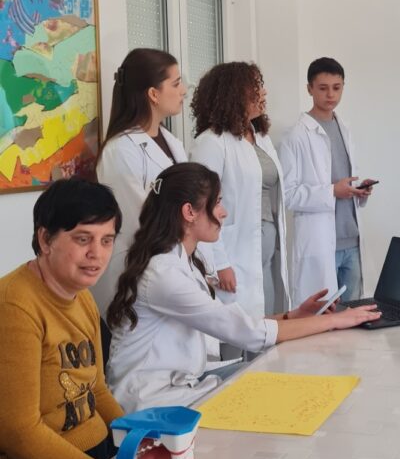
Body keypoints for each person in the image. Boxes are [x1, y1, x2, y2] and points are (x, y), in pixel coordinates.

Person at [106, 163, 380, 412]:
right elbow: (246, 332)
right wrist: (336, 321)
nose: (224, 212)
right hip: (151, 400)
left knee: (282, 376)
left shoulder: (183, 261)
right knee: (281, 389)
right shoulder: (164, 274)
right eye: (217, 203)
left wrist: (294, 315)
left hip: (180, 383)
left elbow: (234, 322)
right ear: (189, 212)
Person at [0, 178, 124, 459]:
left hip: (93, 458)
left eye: (107, 240)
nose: (97, 254)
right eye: (83, 239)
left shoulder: (81, 294)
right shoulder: (14, 306)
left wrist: (140, 439)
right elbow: (20, 434)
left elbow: (96, 390)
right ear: (45, 240)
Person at [189, 61, 289, 318]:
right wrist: (219, 263)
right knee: (239, 326)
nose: (263, 93)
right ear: (233, 94)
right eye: (255, 87)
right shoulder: (212, 143)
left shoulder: (261, 138)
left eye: (261, 86)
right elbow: (201, 207)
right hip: (235, 255)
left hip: (266, 252)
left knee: (268, 322)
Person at [94, 48, 187, 316]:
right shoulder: (121, 150)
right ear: (153, 94)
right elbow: (141, 218)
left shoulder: (172, 143)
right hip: (142, 274)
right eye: (176, 84)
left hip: (175, 265)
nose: (183, 91)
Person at [279, 57, 374, 306]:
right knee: (324, 317)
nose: (330, 94)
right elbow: (287, 194)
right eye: (323, 88)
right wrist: (332, 191)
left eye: (336, 87)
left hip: (352, 241)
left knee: (354, 315)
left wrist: (359, 189)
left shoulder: (344, 128)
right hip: (321, 244)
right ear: (309, 88)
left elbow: (345, 178)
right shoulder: (295, 135)